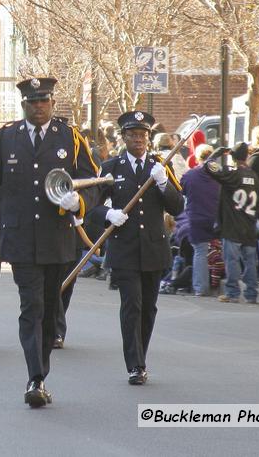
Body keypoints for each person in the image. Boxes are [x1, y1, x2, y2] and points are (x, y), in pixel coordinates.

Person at [0, 77, 99, 408]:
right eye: (32, 102)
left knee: (48, 307)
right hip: (19, 238)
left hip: (57, 237)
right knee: (31, 306)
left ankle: (41, 370)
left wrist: (79, 203)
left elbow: (94, 181)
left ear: (53, 104)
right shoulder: (6, 137)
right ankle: (35, 377)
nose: (39, 107)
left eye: (44, 101)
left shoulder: (69, 137)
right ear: (24, 106)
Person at [88, 111, 183, 385]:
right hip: (125, 249)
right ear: (124, 138)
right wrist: (108, 215)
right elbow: (92, 206)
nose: (138, 140)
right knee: (132, 305)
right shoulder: (111, 168)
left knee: (148, 308)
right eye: (132, 135)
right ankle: (136, 365)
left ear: (148, 139)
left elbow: (177, 207)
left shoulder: (160, 166)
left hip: (154, 248)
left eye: (142, 135)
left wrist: (164, 183)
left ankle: (141, 353)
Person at [202, 143, 259, 304]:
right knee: (250, 260)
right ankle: (251, 294)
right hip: (249, 223)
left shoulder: (232, 173)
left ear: (233, 157)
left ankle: (232, 293)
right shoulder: (253, 175)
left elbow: (209, 167)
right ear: (246, 156)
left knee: (232, 260)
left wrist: (215, 153)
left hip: (233, 223)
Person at [173, 145, 221, 296]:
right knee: (221, 250)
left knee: (200, 251)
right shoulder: (220, 175)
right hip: (217, 218)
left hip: (196, 218)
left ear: (198, 158)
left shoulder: (190, 175)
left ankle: (200, 288)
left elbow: (181, 192)